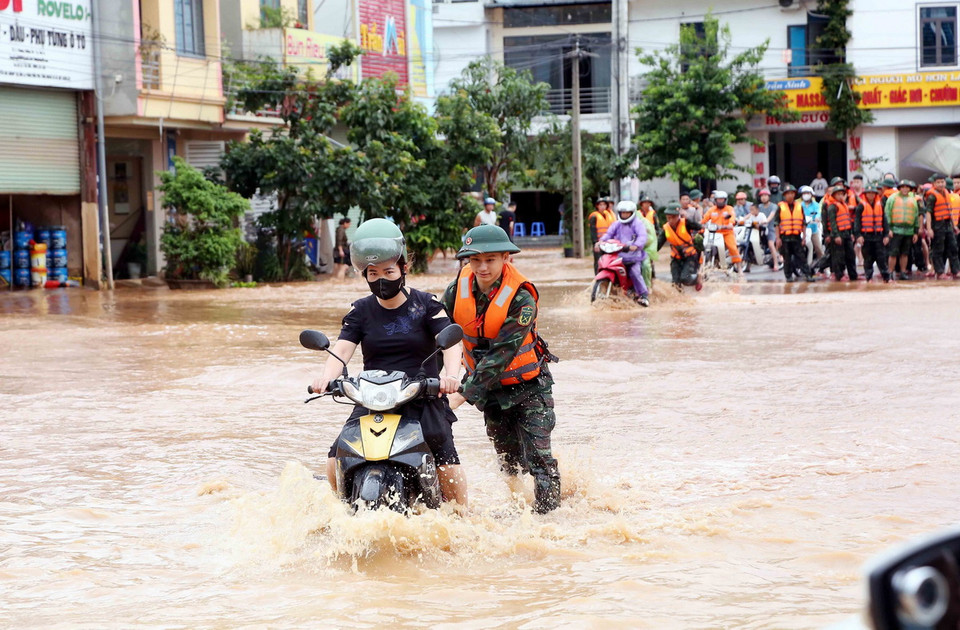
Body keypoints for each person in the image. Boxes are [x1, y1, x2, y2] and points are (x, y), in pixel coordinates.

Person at [311, 218, 468, 508]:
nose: (381, 278)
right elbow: (342, 349)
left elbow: (452, 342)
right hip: (374, 396)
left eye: (388, 271)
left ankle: (462, 516)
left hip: (423, 395)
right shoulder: (360, 310)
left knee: (443, 453)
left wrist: (451, 375)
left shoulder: (427, 304)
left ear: (404, 268)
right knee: (335, 458)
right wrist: (325, 379)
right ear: (364, 275)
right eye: (373, 273)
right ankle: (341, 511)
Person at [443, 225, 561, 514]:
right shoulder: (455, 291)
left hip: (529, 388)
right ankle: (517, 510)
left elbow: (501, 354)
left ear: (506, 257)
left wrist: (459, 396)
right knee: (509, 462)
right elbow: (438, 335)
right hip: (491, 392)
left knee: (540, 461)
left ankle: (549, 524)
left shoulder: (522, 298)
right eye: (475, 260)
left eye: (491, 259)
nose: (482, 267)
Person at [597, 200, 651, 306]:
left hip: (633, 257)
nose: (624, 215)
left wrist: (636, 245)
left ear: (632, 213)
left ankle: (644, 295)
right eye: (622, 212)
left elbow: (642, 236)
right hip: (618, 255)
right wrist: (601, 241)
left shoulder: (637, 223)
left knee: (635, 273)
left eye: (627, 213)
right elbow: (608, 234)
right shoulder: (617, 224)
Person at [772, 185, 816, 282]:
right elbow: (776, 224)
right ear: (784, 195)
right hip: (785, 237)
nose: (790, 196)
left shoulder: (799, 206)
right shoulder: (780, 207)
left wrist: (804, 237)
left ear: (794, 195)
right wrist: (778, 238)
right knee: (787, 258)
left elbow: (803, 223)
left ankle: (807, 275)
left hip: (796, 237)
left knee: (801, 257)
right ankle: (788, 276)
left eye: (792, 193)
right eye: (788, 194)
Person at [658, 203, 702, 291]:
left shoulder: (686, 223)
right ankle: (680, 298)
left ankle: (698, 279)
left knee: (685, 279)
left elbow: (699, 227)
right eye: (668, 217)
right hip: (676, 257)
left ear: (678, 216)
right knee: (675, 282)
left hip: (690, 256)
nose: (671, 220)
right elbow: (658, 244)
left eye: (673, 217)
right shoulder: (666, 228)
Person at [924, 173, 960, 279]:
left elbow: (950, 211)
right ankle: (939, 272)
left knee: (953, 247)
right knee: (938, 249)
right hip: (937, 225)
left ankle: (956, 270)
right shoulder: (932, 196)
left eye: (942, 182)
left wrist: (954, 226)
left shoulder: (946, 193)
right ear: (934, 183)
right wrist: (929, 229)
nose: (941, 184)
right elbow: (928, 213)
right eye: (938, 182)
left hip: (947, 224)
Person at [854, 184, 891, 282]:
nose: (870, 195)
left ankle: (886, 278)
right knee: (868, 259)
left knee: (881, 258)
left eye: (872, 193)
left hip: (878, 235)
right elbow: (857, 222)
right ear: (865, 194)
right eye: (868, 193)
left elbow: (884, 221)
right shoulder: (861, 206)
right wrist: (858, 235)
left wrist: (886, 235)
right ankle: (869, 277)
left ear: (875, 194)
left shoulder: (881, 205)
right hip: (866, 236)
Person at [885, 179, 921, 281]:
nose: (905, 189)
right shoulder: (892, 198)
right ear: (899, 188)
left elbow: (915, 216)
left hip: (909, 230)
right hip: (895, 230)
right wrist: (889, 229)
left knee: (905, 253)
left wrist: (915, 232)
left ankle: (903, 272)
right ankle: (890, 272)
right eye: (903, 187)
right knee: (893, 253)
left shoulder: (913, 200)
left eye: (907, 187)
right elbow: (887, 214)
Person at [824, 181, 858, 281]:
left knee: (850, 255)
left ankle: (853, 275)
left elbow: (848, 220)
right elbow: (832, 223)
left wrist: (851, 233)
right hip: (838, 234)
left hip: (847, 233)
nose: (840, 196)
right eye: (838, 194)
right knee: (838, 256)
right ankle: (839, 275)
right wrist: (836, 235)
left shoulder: (844, 205)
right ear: (834, 195)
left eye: (842, 194)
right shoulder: (832, 207)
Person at [702, 190, 742, 273]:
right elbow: (704, 219)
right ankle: (703, 267)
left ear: (725, 200)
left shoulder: (729, 209)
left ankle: (739, 268)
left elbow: (732, 218)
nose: (720, 201)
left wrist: (730, 223)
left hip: (727, 232)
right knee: (705, 245)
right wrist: (699, 224)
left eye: (722, 199)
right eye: (718, 199)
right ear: (715, 200)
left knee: (733, 248)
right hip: (714, 233)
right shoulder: (711, 210)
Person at [587, 197, 616, 273]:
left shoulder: (609, 215)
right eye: (600, 205)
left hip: (608, 242)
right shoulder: (594, 216)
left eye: (604, 205)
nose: (602, 206)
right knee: (598, 261)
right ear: (597, 206)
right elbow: (593, 232)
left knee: (608, 261)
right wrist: (595, 243)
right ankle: (597, 277)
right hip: (598, 243)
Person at [799, 185, 823, 267]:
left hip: (813, 230)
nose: (806, 195)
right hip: (802, 230)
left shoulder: (815, 205)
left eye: (808, 193)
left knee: (818, 248)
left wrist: (817, 218)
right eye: (804, 193)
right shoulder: (799, 205)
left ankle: (824, 267)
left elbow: (818, 213)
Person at [757, 188, 781, 271]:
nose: (763, 197)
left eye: (765, 196)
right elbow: (752, 213)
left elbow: (772, 215)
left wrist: (766, 220)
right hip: (761, 229)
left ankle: (776, 263)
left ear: (769, 197)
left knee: (771, 245)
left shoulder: (774, 206)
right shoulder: (759, 206)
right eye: (762, 196)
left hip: (771, 228)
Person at [740, 202, 767, 272]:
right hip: (753, 233)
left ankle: (763, 250)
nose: (751, 211)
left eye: (753, 209)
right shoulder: (751, 215)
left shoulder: (761, 215)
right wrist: (742, 220)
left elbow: (765, 221)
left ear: (757, 210)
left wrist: (760, 222)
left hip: (762, 232)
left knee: (765, 240)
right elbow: (745, 219)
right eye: (750, 210)